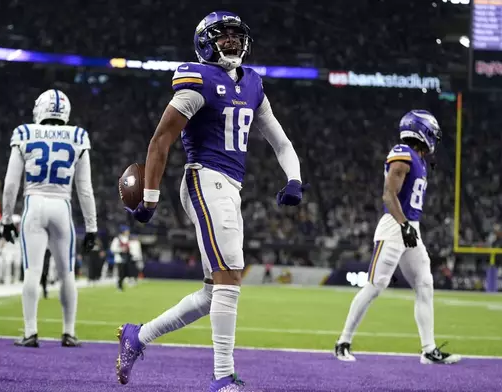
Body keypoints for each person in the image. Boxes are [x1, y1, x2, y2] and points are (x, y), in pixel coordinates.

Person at [116, 11, 306, 391]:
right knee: (231, 275)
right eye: (224, 36)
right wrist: (150, 199)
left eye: (237, 36)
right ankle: (222, 377)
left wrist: (295, 178)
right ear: (206, 41)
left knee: (212, 292)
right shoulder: (197, 78)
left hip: (230, 186)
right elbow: (160, 140)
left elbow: (280, 142)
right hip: (204, 177)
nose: (232, 41)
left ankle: (136, 337)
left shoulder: (253, 84)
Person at [334, 110, 461, 365]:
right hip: (396, 225)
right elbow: (388, 194)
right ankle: (343, 342)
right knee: (375, 285)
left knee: (425, 285)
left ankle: (428, 349)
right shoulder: (402, 153)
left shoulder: (418, 159)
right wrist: (404, 226)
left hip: (410, 227)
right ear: (421, 129)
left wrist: (408, 227)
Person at [1, 89, 98, 348]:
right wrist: (91, 226)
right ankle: (68, 332)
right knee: (67, 274)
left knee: (31, 272)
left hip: (33, 204)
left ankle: (31, 332)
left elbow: (11, 183)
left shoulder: (24, 132)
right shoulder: (78, 136)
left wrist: (6, 217)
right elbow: (85, 188)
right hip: (61, 206)